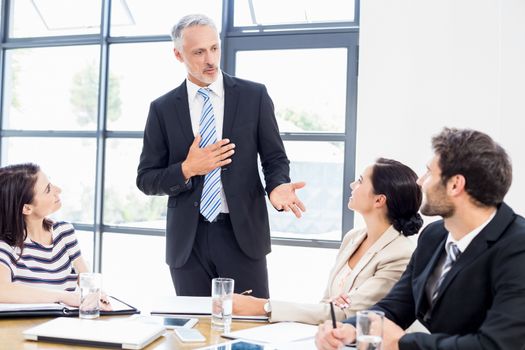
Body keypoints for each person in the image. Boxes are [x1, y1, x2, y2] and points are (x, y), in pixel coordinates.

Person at [136, 14, 305, 298]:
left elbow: (275, 158)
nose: (210, 59)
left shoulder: (254, 96)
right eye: (199, 52)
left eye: (214, 48)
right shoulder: (162, 109)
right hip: (188, 244)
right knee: (196, 334)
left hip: (242, 236)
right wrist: (187, 168)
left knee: (249, 331)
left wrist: (276, 186)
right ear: (178, 54)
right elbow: (146, 179)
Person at [315, 127, 525, 350]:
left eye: (429, 173)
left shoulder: (518, 248)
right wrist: (351, 329)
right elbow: (397, 305)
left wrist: (403, 343)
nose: (420, 182)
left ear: (455, 185)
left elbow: (498, 345)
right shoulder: (433, 236)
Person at [233, 158, 423, 324]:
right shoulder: (353, 238)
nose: (352, 185)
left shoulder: (399, 254)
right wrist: (334, 307)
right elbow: (328, 305)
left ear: (379, 200)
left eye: (360, 181)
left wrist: (264, 306)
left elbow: (349, 313)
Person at [0, 163, 107, 307]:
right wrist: (64, 297)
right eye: (48, 189)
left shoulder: (64, 232)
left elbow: (86, 278)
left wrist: (97, 296)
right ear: (27, 208)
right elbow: (2, 290)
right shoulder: (7, 246)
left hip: (63, 325)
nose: (58, 190)